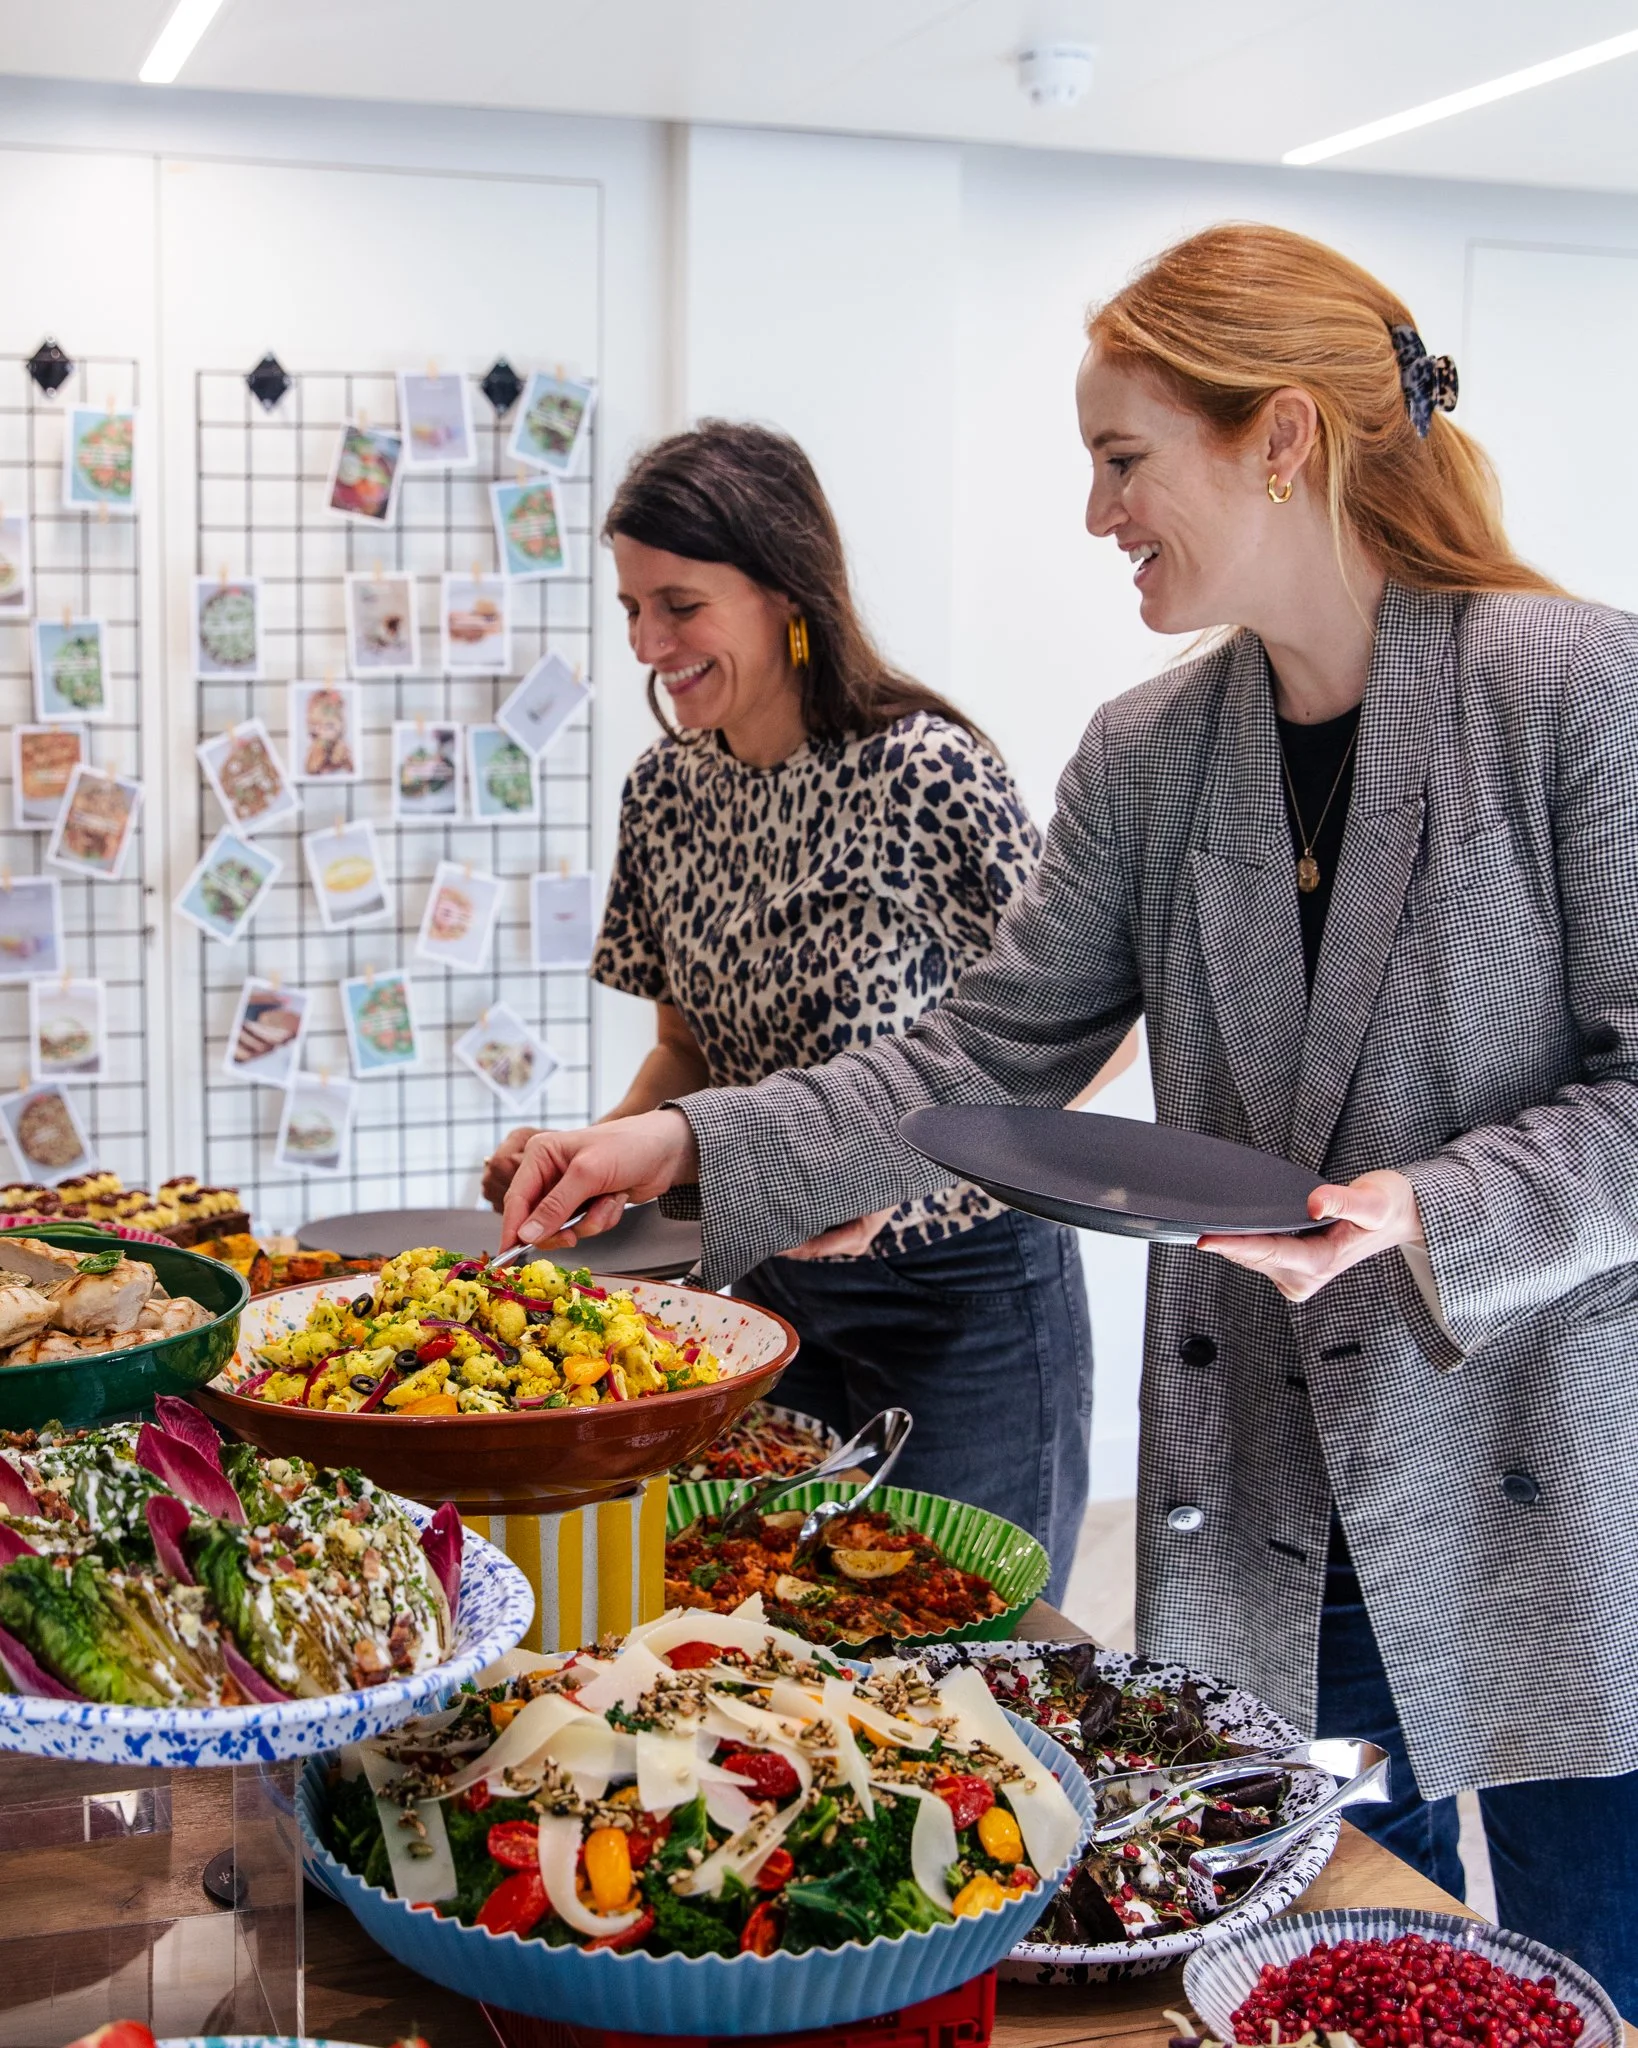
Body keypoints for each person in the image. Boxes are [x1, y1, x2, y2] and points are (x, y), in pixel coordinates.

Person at [498, 226, 1638, 1998]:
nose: (1096, 515)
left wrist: (1423, 1203)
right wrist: (691, 1142)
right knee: (1312, 1956)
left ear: (1278, 439)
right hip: (1269, 1475)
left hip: (1545, 1464)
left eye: (1121, 460)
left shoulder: (1572, 688)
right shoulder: (1146, 748)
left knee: (1583, 1966)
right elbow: (976, 1057)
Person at [484, 421, 1127, 1597]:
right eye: (630, 608)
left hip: (966, 1301)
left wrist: (896, 1177)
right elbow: (684, 1050)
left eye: (678, 604)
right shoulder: (667, 791)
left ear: (786, 590)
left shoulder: (925, 771)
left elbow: (1092, 1031)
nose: (647, 643)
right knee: (775, 1627)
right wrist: (591, 1159)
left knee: (970, 1636)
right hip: (765, 1295)